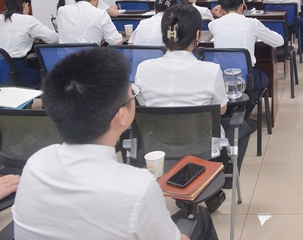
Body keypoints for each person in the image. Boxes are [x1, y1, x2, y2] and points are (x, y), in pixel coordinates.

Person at [12, 46, 206, 240]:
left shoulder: (35, 164)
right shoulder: (138, 189)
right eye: (132, 94)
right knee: (202, 221)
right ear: (121, 116)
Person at [135, 4, 250, 173]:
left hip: (156, 145)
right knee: (243, 127)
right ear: (197, 35)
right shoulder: (211, 70)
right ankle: (220, 180)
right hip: (202, 148)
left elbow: (144, 105)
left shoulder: (143, 68)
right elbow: (222, 109)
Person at [209, 0, 284, 120]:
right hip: (244, 78)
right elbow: (279, 41)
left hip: (221, 79)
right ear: (241, 6)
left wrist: (219, 16)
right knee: (264, 79)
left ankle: (232, 112)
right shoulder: (252, 23)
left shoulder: (213, 25)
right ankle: (243, 113)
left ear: (221, 7)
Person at [0, 0, 58, 86]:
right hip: (19, 74)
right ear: (25, 5)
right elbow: (54, 38)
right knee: (47, 70)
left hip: (2, 74)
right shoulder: (27, 20)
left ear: (6, 6)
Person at [57, 0, 122, 45]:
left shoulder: (62, 11)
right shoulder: (100, 14)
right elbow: (117, 42)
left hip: (64, 53)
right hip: (90, 53)